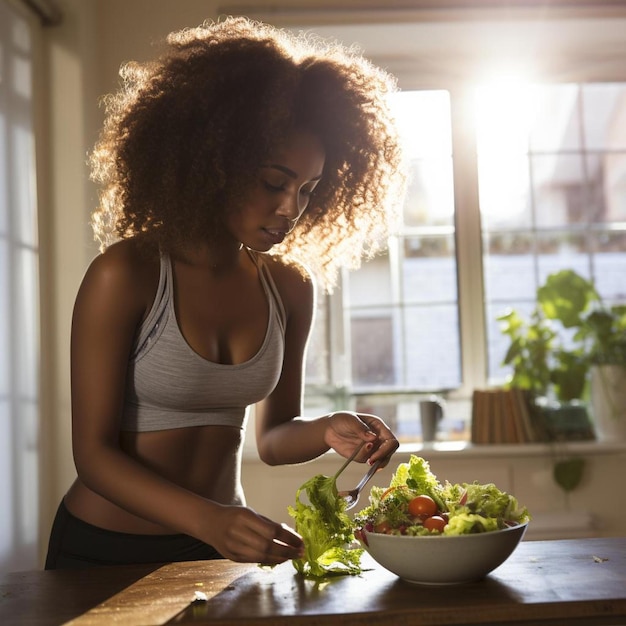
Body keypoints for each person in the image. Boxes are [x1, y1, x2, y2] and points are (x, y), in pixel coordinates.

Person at [45, 15, 406, 570]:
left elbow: (275, 438)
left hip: (217, 549)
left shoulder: (287, 285)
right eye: (273, 182)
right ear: (215, 162)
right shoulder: (127, 274)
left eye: (307, 189)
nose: (290, 208)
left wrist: (330, 430)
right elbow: (93, 456)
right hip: (103, 550)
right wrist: (209, 520)